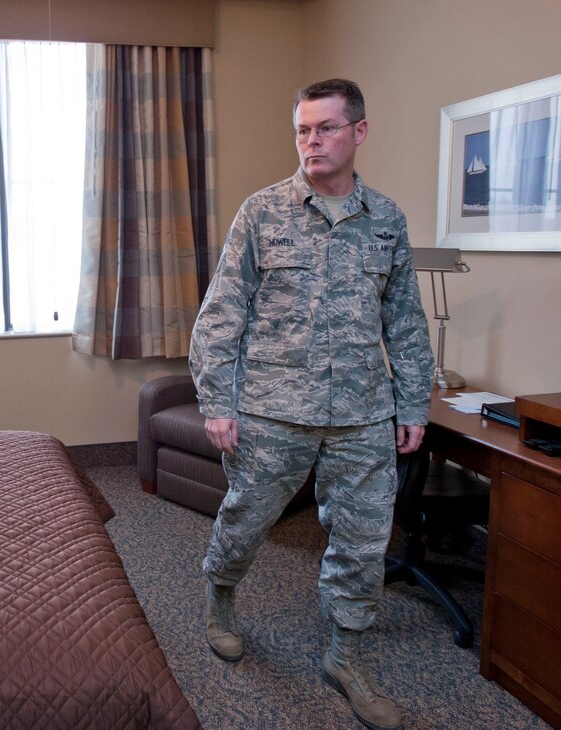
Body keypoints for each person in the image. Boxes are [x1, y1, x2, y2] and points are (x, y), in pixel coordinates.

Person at [189, 79, 434, 730]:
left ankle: (345, 656)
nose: (311, 141)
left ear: (359, 131)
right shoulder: (262, 212)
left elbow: (406, 320)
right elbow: (221, 315)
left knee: (362, 540)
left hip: (362, 414)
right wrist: (217, 402)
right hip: (273, 409)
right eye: (303, 129)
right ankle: (220, 598)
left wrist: (413, 404)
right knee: (246, 519)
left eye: (325, 128)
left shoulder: (386, 220)